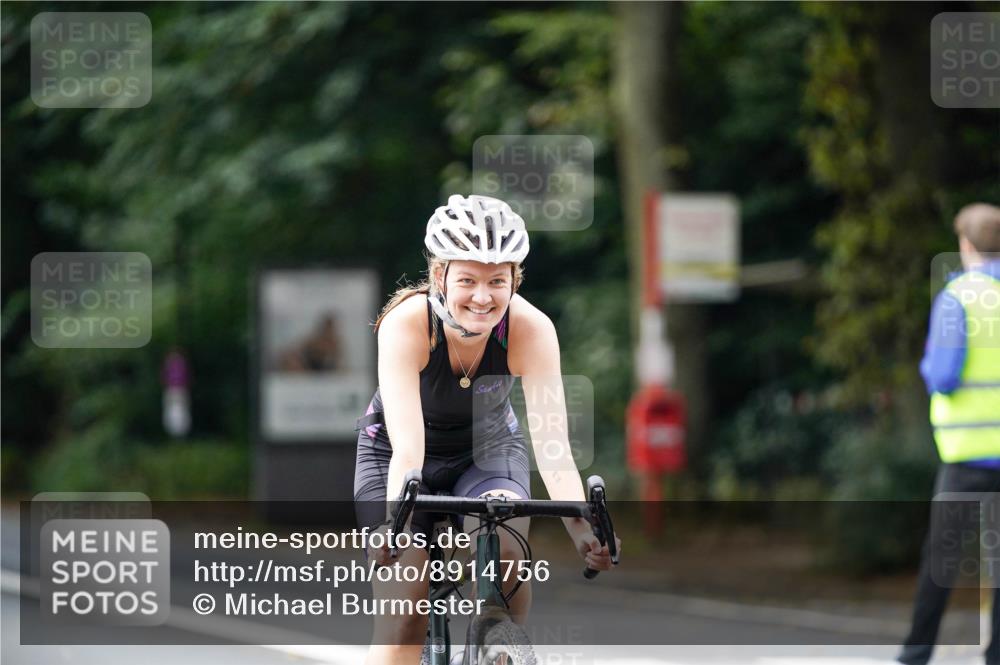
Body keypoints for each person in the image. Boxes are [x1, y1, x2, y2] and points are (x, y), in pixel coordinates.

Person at [353, 194, 621, 665]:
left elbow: (553, 446)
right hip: (399, 453)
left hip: (487, 451)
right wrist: (393, 530)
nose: (483, 295)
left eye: (498, 280)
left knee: (508, 559)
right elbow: (409, 452)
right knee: (404, 612)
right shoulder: (406, 325)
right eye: (468, 279)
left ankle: (500, 645)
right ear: (440, 276)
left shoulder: (531, 328)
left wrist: (582, 528)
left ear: (515, 280)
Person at [898, 203, 1000, 665]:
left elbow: (942, 375)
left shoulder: (959, 297)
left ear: (965, 244)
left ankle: (916, 653)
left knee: (940, 563)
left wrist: (926, 362)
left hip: (967, 456)